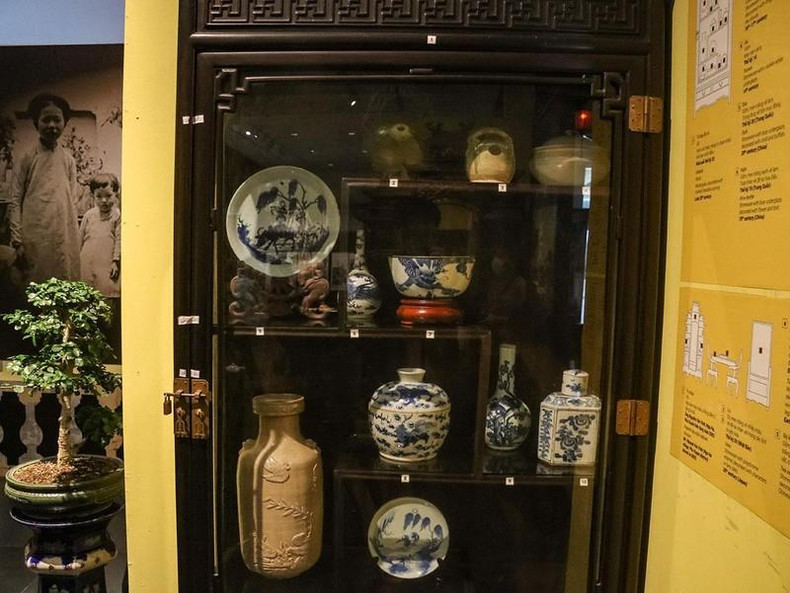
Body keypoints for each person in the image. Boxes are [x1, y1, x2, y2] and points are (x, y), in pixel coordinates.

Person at [8, 93, 82, 282]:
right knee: (37, 287)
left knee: (65, 286)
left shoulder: (68, 160)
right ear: (36, 123)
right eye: (45, 120)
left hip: (64, 234)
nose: (51, 126)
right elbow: (15, 199)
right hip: (35, 236)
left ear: (64, 122)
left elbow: (72, 201)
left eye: (57, 120)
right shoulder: (27, 158)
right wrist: (17, 241)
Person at [79, 172, 121, 297]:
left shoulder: (117, 215)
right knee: (88, 294)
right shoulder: (89, 215)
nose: (104, 201)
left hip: (107, 263)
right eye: (99, 196)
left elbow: (119, 239)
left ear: (116, 194)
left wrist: (115, 261)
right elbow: (80, 239)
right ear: (93, 196)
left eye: (108, 196)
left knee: (106, 292)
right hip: (88, 261)